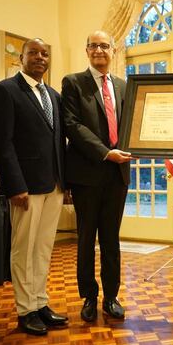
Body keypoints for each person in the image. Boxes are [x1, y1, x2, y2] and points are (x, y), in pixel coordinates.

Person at [0, 38, 68, 335]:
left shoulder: (54, 95)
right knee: (23, 249)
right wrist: (15, 185)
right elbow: (3, 142)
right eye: (33, 53)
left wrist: (65, 181)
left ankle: (40, 302)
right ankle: (25, 310)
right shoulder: (5, 91)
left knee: (44, 247)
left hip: (54, 184)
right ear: (20, 58)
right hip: (25, 187)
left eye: (44, 53)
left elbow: (59, 141)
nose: (39, 57)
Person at [61, 30, 132, 322]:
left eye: (105, 46)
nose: (99, 50)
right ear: (86, 50)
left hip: (118, 175)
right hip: (87, 174)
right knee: (87, 239)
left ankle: (112, 296)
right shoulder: (73, 83)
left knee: (112, 240)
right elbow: (72, 125)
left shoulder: (125, 86)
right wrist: (105, 152)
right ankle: (89, 296)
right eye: (94, 46)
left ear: (113, 51)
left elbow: (132, 124)